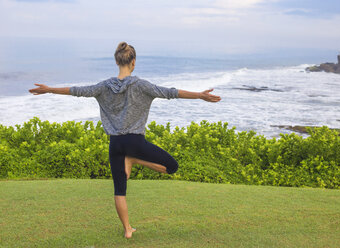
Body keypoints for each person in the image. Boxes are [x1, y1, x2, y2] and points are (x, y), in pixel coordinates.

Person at [29, 41, 221, 239]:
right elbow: (171, 93)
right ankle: (134, 160)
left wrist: (50, 89)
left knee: (120, 190)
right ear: (134, 62)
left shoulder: (104, 86)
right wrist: (199, 95)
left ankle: (127, 229)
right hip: (135, 142)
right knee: (172, 166)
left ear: (116, 61)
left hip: (115, 144)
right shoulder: (142, 85)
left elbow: (77, 90)